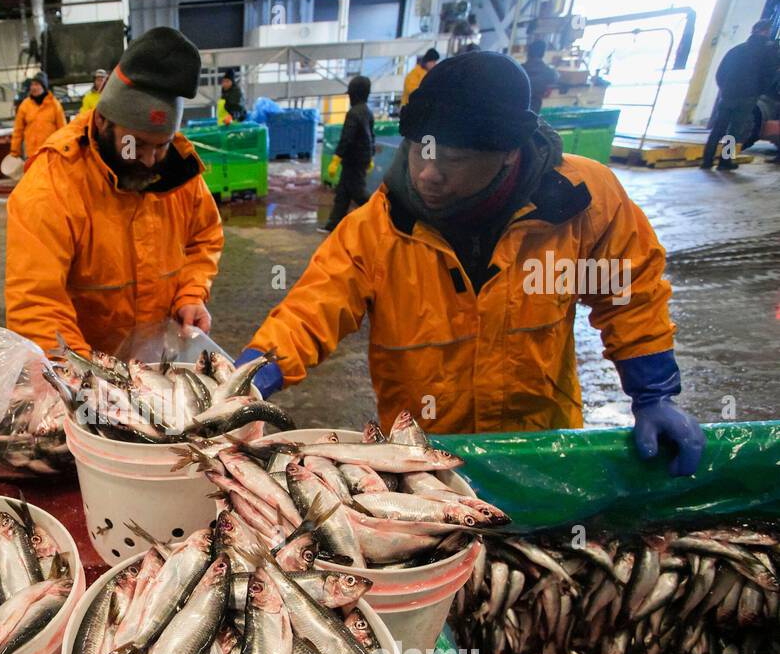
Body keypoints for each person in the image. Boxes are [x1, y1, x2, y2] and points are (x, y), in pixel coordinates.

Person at [234, 52, 704, 477]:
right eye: (420, 147)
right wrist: (251, 376)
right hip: (421, 456)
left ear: (507, 154)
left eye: (453, 160)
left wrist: (653, 393)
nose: (426, 173)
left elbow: (630, 293)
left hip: (541, 448)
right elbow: (312, 308)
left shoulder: (582, 201)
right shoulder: (378, 227)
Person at [5, 27, 224, 356]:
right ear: (104, 122)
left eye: (161, 145)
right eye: (135, 145)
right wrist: (87, 385)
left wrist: (191, 293)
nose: (150, 161)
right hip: (84, 367)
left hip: (155, 365)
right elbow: (37, 306)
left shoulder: (178, 171)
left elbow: (204, 236)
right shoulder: (51, 184)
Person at [701, 20, 780, 171]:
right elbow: (770, 75)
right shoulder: (768, 52)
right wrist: (758, 91)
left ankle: (707, 161)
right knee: (733, 131)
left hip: (728, 95)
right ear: (767, 31)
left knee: (718, 128)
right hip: (747, 97)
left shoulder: (737, 50)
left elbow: (721, 73)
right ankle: (724, 162)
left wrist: (725, 89)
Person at [320, 75, 375, 233]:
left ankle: (381, 215)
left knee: (358, 193)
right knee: (343, 193)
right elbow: (372, 136)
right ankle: (333, 225)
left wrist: (336, 158)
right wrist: (370, 156)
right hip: (360, 159)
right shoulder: (368, 112)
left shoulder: (353, 114)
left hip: (354, 161)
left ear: (354, 94)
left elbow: (347, 138)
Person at [9, 72, 67, 161]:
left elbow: (62, 129)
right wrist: (14, 152)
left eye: (37, 84)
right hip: (32, 155)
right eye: (32, 85)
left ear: (44, 87)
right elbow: (18, 131)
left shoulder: (54, 105)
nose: (33, 87)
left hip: (51, 153)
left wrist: (64, 148)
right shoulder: (24, 106)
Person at [521, 39, 559, 114]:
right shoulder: (550, 73)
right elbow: (557, 77)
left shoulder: (518, 69)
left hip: (515, 106)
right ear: (543, 54)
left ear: (528, 53)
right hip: (533, 110)